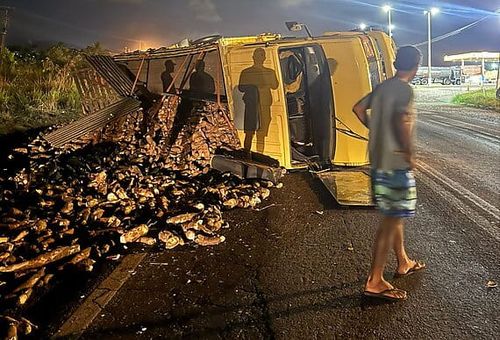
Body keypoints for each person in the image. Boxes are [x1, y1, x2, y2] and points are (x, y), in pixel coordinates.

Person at [352, 46, 426, 301]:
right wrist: (409, 153)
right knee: (391, 220)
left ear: (396, 64)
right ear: (415, 67)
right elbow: (401, 121)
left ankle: (403, 261)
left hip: (378, 161)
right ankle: (374, 280)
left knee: (395, 215)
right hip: (395, 163)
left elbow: (358, 109)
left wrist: (376, 130)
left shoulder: (383, 87)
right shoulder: (405, 90)